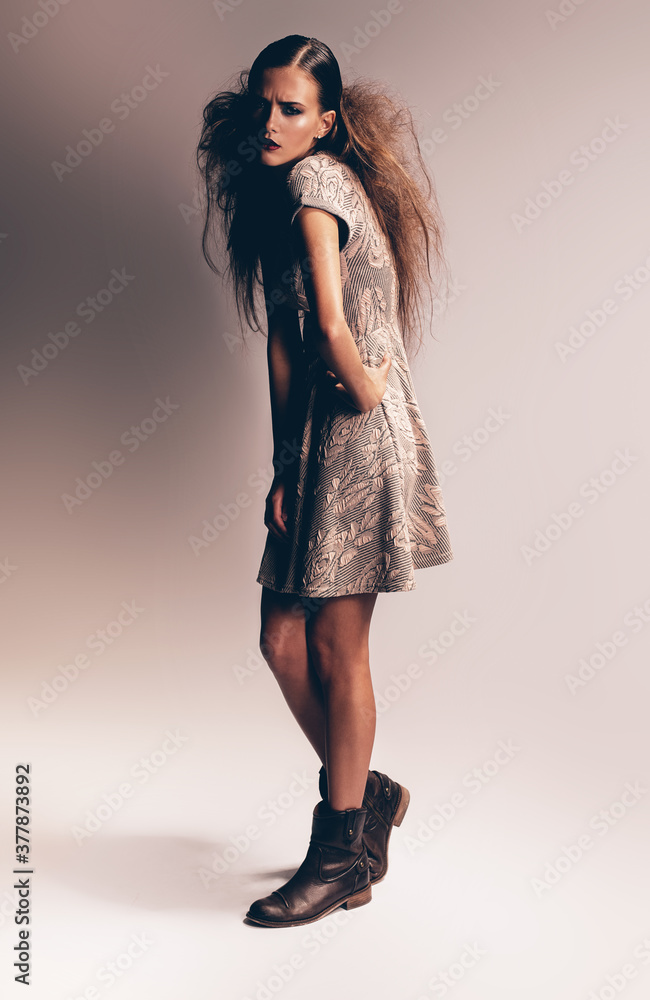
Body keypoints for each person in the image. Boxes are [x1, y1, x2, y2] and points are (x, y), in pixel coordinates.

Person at [196, 34, 454, 928]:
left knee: (340, 650)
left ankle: (341, 854)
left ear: (327, 121)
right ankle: (367, 795)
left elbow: (334, 327)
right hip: (314, 441)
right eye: (264, 105)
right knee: (281, 640)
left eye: (292, 108)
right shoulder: (276, 199)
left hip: (358, 435)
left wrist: (366, 383)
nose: (271, 122)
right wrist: (281, 464)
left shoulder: (316, 182)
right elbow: (282, 340)